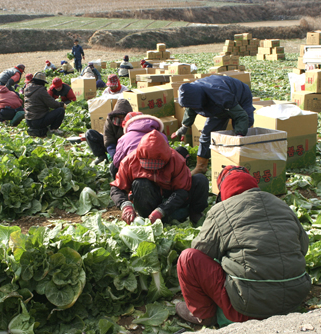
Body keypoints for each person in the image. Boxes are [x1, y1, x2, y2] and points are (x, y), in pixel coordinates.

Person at [176, 165, 310, 327]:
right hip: (293, 298)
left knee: (188, 259)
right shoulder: (281, 205)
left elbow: (201, 252)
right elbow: (303, 248)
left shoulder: (221, 210)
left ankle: (206, 317)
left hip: (247, 306)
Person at [110, 130, 209, 225]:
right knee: (140, 183)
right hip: (149, 200)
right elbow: (116, 188)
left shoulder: (177, 160)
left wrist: (162, 210)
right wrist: (125, 205)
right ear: (140, 155)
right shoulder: (130, 161)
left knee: (200, 180)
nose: (152, 169)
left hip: (172, 202)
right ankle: (147, 217)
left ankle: (194, 214)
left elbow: (182, 191)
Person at [172, 75, 254, 176]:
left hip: (240, 95)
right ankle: (201, 167)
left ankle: (244, 162)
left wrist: (239, 136)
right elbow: (190, 109)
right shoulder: (191, 94)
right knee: (207, 135)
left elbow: (241, 116)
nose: (193, 108)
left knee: (242, 128)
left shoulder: (220, 95)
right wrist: (184, 126)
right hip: (216, 107)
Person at [112, 113, 166, 179]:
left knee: (113, 167)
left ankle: (120, 187)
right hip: (162, 175)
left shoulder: (124, 138)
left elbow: (117, 162)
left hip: (135, 175)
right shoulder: (162, 136)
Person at [85, 99, 133, 165]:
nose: (120, 117)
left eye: (123, 116)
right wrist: (113, 156)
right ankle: (102, 157)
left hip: (126, 148)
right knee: (90, 134)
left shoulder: (132, 121)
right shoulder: (110, 119)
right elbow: (108, 137)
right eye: (119, 115)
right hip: (113, 144)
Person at [24, 72, 66, 137]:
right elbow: (52, 104)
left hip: (28, 120)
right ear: (42, 82)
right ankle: (53, 129)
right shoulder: (40, 90)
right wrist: (62, 104)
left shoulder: (27, 88)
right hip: (38, 121)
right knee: (60, 110)